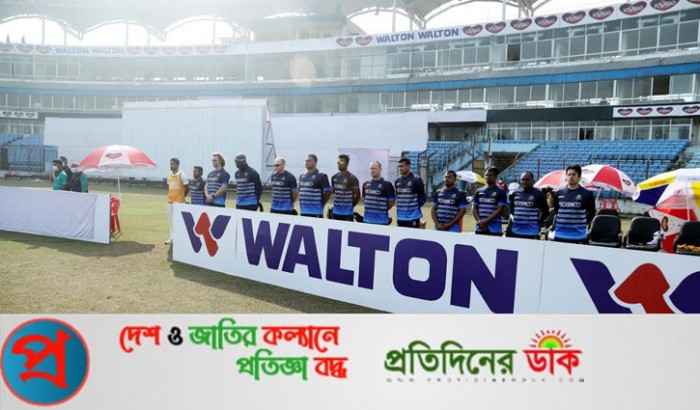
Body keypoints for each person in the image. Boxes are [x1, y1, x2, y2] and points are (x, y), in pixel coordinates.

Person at [550, 165, 596, 244]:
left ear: (579, 177)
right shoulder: (558, 193)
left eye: (574, 174)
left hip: (578, 236)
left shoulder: (587, 194)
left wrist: (581, 224)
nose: (571, 177)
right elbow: (556, 211)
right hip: (560, 235)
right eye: (569, 174)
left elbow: (591, 213)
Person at [507, 171, 549, 239]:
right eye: (522, 180)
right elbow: (512, 211)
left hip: (532, 233)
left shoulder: (539, 194)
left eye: (527, 180)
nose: (524, 182)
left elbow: (546, 212)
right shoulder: (515, 194)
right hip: (515, 232)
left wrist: (539, 223)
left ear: (532, 181)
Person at [472, 166, 508, 236]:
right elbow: (474, 208)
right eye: (486, 175)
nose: (487, 177)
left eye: (490, 175)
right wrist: (479, 222)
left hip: (495, 230)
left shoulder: (501, 191)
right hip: (480, 228)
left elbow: (499, 210)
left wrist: (484, 222)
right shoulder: (479, 191)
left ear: (496, 176)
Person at [394, 157, 426, 228]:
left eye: (402, 166)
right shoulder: (397, 180)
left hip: (413, 217)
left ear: (408, 166)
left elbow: (422, 198)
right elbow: (398, 196)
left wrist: (413, 208)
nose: (400, 168)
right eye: (399, 166)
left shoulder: (416, 179)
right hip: (400, 216)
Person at [362, 161, 395, 225]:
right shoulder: (365, 184)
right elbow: (365, 199)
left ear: (380, 169)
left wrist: (382, 210)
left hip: (381, 221)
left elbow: (391, 202)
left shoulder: (387, 184)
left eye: (374, 168)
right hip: (367, 220)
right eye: (371, 168)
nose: (372, 170)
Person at [298, 154, 331, 218]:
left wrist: (322, 203)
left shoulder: (322, 175)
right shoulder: (301, 176)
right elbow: (300, 191)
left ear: (315, 162)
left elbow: (328, 192)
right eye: (306, 161)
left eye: (309, 161)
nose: (306, 162)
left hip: (316, 212)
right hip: (303, 212)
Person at [165, 158, 189, 245]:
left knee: (180, 221)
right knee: (171, 221)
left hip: (179, 202)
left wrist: (182, 197)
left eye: (173, 164)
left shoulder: (182, 174)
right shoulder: (169, 174)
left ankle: (181, 238)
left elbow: (187, 188)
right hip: (170, 202)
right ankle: (172, 238)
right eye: (170, 164)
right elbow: (169, 187)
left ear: (177, 165)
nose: (171, 166)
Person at [330, 154, 360, 221]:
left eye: (342, 161)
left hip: (347, 214)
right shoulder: (334, 177)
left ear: (347, 163)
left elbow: (357, 195)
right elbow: (335, 191)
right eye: (338, 162)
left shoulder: (352, 178)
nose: (339, 163)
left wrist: (350, 206)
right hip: (335, 213)